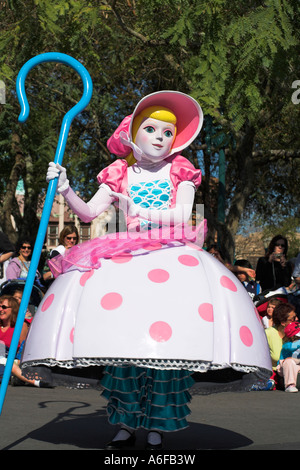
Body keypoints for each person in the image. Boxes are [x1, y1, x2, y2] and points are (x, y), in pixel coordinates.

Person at [21, 91, 272, 450]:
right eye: (152, 129)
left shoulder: (179, 170)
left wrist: (138, 210)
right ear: (133, 133)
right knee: (121, 346)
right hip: (123, 259)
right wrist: (64, 187)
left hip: (172, 256)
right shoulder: (119, 172)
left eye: (168, 133)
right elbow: (89, 213)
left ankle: (159, 424)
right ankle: (124, 423)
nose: (160, 137)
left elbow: (183, 215)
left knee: (170, 350)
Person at [0, 295, 44, 387]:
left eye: (4, 307)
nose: (0, 309)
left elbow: (24, 351)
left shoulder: (20, 326)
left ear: (13, 309)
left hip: (12, 360)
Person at [265, 302, 297, 389]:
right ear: (283, 322)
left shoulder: (296, 334)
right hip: (278, 374)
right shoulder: (268, 334)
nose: (296, 320)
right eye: (293, 319)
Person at [277, 321, 300, 392]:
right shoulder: (287, 345)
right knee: (289, 361)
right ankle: (290, 385)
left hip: (298, 365)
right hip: (285, 368)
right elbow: (292, 347)